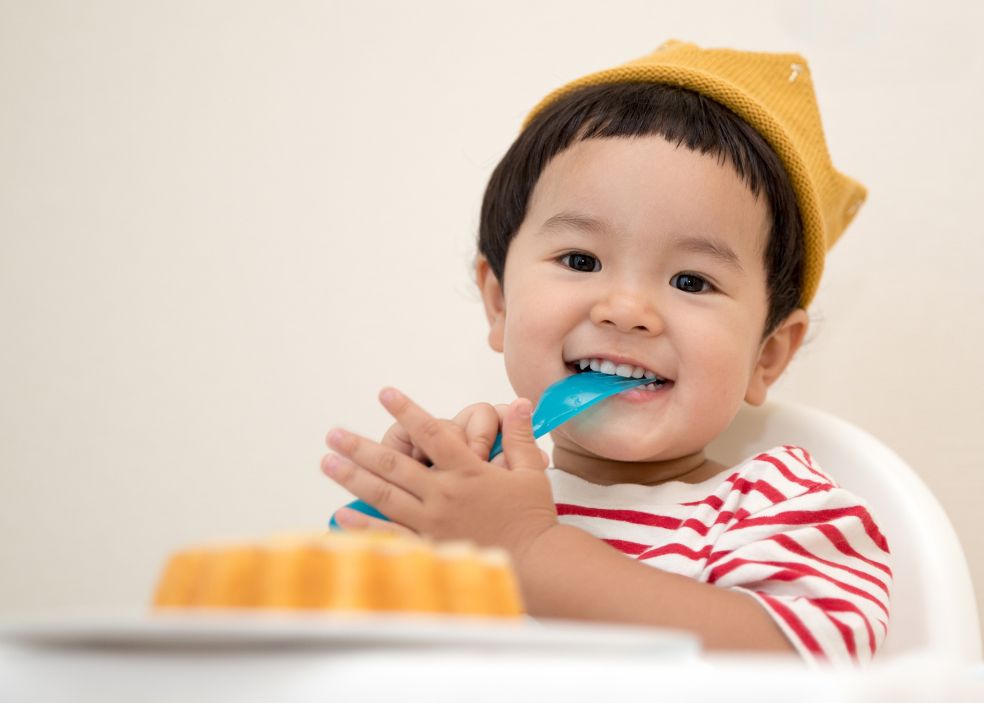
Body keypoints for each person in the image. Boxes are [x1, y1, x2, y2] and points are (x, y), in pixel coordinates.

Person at [319, 40, 891, 666]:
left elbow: (812, 668)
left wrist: (527, 550)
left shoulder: (777, 507)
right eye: (581, 260)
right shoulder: (474, 499)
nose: (624, 309)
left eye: (691, 281)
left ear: (768, 355)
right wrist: (404, 533)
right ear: (500, 302)